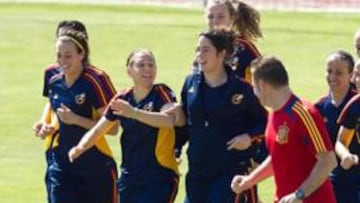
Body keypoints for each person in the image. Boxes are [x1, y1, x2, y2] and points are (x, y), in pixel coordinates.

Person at [68, 49, 183, 203]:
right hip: (130, 176)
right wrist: (80, 148)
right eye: (141, 65)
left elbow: (168, 120)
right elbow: (100, 129)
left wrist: (133, 113)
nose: (147, 69)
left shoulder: (161, 92)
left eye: (151, 64)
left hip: (159, 176)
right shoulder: (122, 98)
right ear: (129, 71)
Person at [231, 56, 337, 203]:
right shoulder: (274, 113)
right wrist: (248, 181)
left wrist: (299, 194)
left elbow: (328, 161)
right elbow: (278, 158)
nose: (254, 93)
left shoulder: (302, 113)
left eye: (254, 87)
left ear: (263, 85)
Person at [33, 20, 117, 203]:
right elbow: (52, 104)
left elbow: (113, 127)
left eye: (68, 55)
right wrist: (44, 124)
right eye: (59, 54)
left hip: (94, 162)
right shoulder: (52, 77)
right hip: (60, 160)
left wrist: (75, 120)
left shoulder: (96, 80)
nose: (63, 60)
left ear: (82, 51)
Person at [180, 28, 267, 203]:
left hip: (228, 172)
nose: (200, 54)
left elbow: (264, 121)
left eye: (206, 50)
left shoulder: (242, 89)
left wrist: (249, 137)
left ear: (221, 54)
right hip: (197, 170)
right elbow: (186, 119)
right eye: (198, 49)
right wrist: (175, 146)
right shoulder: (190, 83)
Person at [314, 51, 357, 203]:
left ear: (351, 74)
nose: (332, 77)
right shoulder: (318, 107)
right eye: (329, 71)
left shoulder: (356, 104)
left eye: (339, 73)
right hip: (332, 180)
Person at [204, 0, 262, 82]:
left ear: (232, 18)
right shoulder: (203, 45)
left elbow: (262, 77)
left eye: (221, 16)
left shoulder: (243, 47)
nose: (215, 22)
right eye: (210, 17)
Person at [334, 59, 360, 203]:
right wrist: (346, 155)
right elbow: (341, 141)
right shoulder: (354, 106)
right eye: (355, 75)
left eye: (359, 75)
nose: (355, 80)